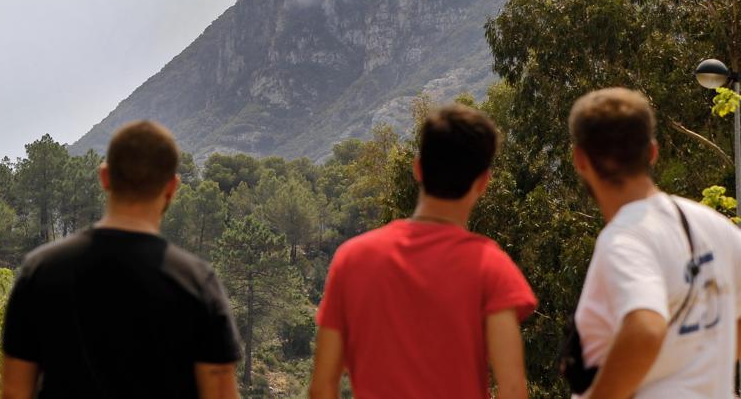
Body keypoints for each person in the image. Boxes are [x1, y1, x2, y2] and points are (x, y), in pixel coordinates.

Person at [0, 120, 242, 399]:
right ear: (172, 187)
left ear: (104, 177)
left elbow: (14, 392)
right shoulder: (198, 282)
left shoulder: (41, 270)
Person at [308, 104, 537, 399]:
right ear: (483, 183)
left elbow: (322, 386)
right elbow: (513, 388)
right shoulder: (491, 267)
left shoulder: (352, 259)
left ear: (418, 168)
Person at [566, 88, 741, 398]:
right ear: (652, 152)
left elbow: (645, 328)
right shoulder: (716, 226)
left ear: (580, 159)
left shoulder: (625, 240)